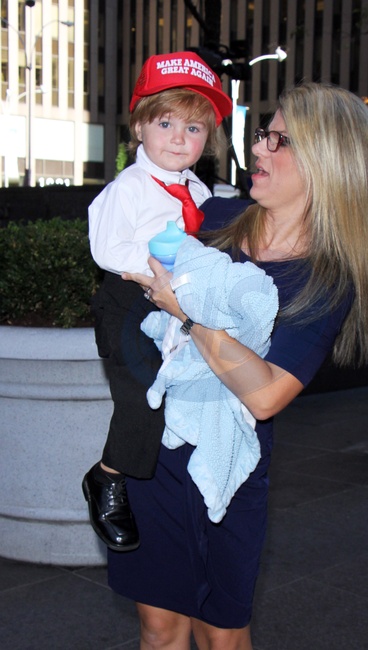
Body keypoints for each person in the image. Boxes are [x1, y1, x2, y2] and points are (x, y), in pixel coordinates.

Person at [111, 81, 368, 649]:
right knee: (159, 627)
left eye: (280, 140)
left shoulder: (325, 279)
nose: (258, 147)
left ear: (329, 162)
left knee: (220, 635)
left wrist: (187, 313)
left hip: (229, 468)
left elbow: (266, 395)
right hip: (153, 451)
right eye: (264, 133)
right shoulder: (213, 216)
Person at [82, 51, 232, 552]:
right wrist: (162, 265)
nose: (178, 138)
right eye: (165, 123)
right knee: (144, 395)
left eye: (193, 128)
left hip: (174, 305)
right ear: (139, 128)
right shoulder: (128, 188)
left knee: (191, 389)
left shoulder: (199, 191)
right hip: (131, 301)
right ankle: (107, 476)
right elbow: (107, 249)